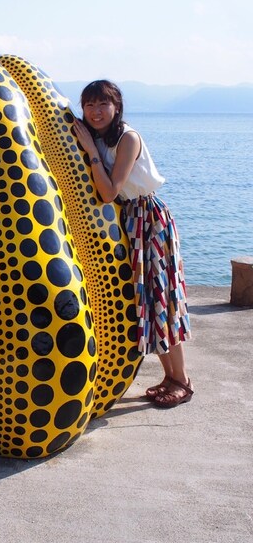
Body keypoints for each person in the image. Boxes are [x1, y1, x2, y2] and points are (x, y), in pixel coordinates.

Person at [72, 80, 193, 408]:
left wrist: (91, 152)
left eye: (103, 104)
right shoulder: (100, 137)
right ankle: (170, 376)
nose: (96, 111)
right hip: (129, 220)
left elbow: (110, 191)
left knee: (163, 300)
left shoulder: (128, 138)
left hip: (148, 219)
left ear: (117, 107)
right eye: (89, 105)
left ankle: (182, 381)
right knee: (149, 302)